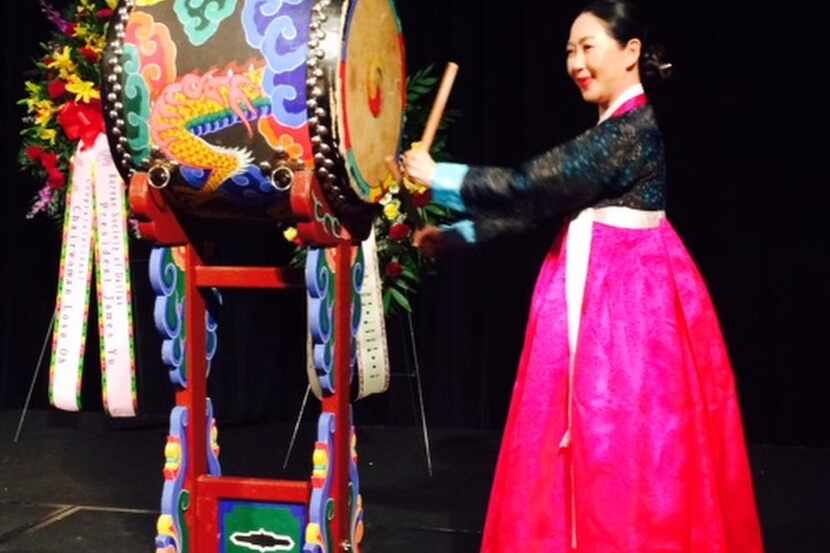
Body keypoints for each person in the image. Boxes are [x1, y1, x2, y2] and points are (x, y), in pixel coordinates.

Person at [402, 1, 765, 551]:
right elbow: (541, 205)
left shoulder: (631, 130)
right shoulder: (613, 130)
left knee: (621, 435)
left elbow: (529, 184)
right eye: (569, 50)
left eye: (588, 46)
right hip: (602, 288)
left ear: (631, 52)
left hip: (627, 305)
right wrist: (455, 236)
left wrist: (440, 176)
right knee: (584, 434)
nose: (575, 61)